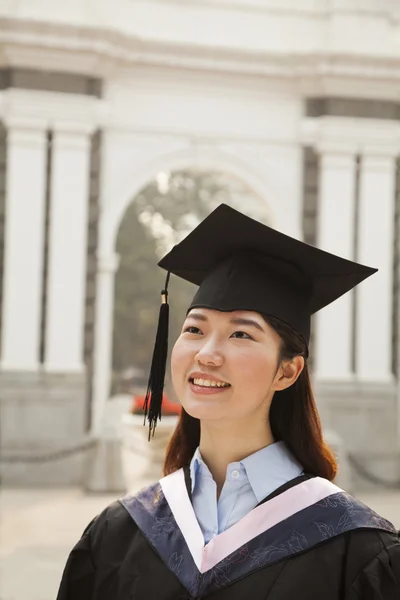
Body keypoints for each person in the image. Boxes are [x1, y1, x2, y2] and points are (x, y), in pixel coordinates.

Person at [57, 204, 400, 599]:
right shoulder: (118, 534)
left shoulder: (355, 550)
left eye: (241, 335)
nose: (207, 353)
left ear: (287, 372)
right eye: (194, 329)